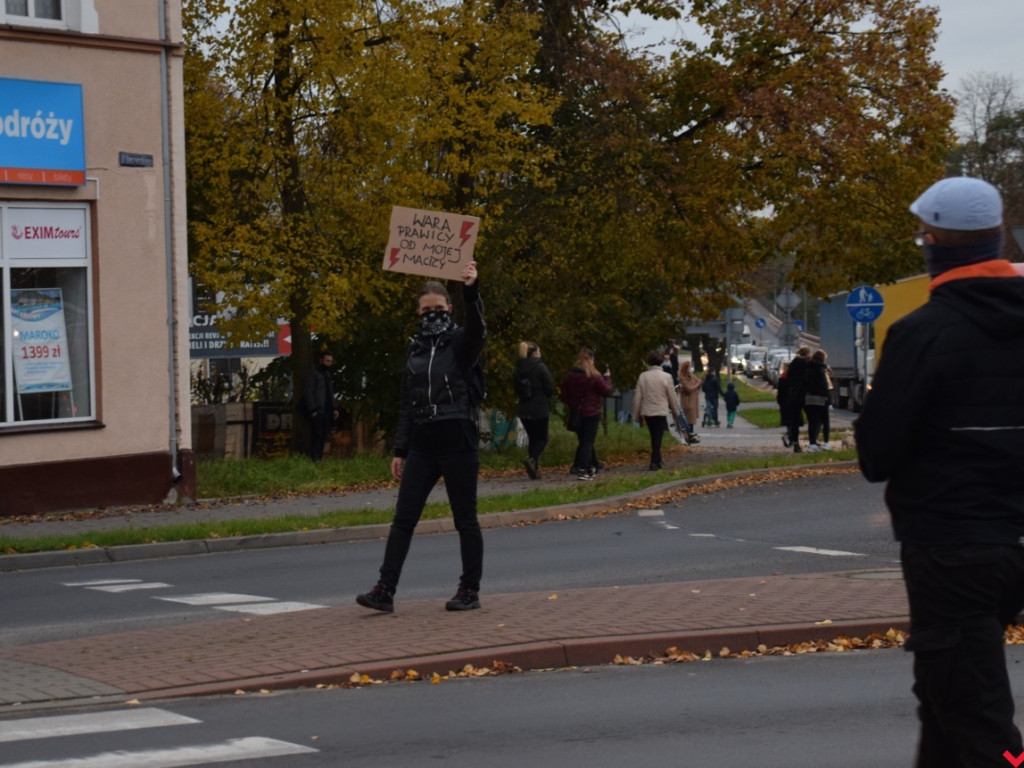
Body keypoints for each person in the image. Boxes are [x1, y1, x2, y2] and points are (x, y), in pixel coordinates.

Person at [854, 176, 1024, 767]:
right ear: (999, 237)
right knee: (947, 700)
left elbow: (877, 456)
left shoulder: (922, 334)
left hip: (953, 545)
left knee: (978, 722)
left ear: (932, 244)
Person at [356, 262, 485, 614]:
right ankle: (385, 590)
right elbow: (406, 402)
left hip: (457, 437)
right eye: (426, 309)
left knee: (465, 519)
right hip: (422, 445)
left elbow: (478, 330)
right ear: (418, 312)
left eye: (438, 309)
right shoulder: (414, 351)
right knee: (404, 517)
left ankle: (469, 590)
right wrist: (400, 449)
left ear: (449, 309)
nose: (432, 314)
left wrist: (471, 289)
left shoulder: (460, 343)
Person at [560, 347, 612, 480]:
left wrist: (573, 403)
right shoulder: (594, 376)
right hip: (592, 412)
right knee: (588, 441)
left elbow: (564, 397)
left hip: (576, 412)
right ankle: (583, 468)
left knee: (583, 440)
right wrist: (607, 378)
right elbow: (606, 391)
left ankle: (587, 465)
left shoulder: (569, 376)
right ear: (591, 359)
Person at [632, 350, 682, 470]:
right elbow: (672, 396)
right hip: (660, 410)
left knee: (654, 434)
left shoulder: (643, 376)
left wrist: (636, 414)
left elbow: (638, 396)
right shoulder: (667, 377)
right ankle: (655, 461)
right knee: (658, 435)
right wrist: (676, 412)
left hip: (647, 411)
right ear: (661, 362)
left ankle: (657, 459)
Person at [513, 341, 554, 479]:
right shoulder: (540, 367)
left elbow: (516, 387)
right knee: (542, 438)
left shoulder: (518, 368)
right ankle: (532, 459)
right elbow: (549, 387)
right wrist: (546, 396)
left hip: (524, 409)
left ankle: (534, 470)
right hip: (539, 408)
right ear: (535, 352)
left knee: (533, 438)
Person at [303, 349, 339, 462]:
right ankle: (314, 457)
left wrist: (334, 408)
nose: (329, 364)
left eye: (330, 361)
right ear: (321, 360)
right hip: (318, 409)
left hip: (326, 409)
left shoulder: (327, 374)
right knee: (317, 434)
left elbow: (330, 392)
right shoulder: (314, 373)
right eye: (327, 361)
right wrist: (312, 408)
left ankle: (319, 457)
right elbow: (309, 391)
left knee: (323, 434)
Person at [803, 349, 832, 451]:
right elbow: (825, 386)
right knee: (825, 421)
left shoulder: (807, 369)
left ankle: (812, 444)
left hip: (809, 398)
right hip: (821, 398)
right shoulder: (821, 370)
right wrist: (829, 399)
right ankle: (826, 442)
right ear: (822, 359)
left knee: (812, 422)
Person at [785, 346, 811, 452]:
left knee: (795, 421)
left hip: (793, 395)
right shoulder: (807, 364)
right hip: (805, 394)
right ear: (807, 354)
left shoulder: (792, 364)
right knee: (812, 419)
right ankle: (813, 442)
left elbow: (789, 379)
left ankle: (795, 443)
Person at [677, 359, 702, 443]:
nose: (690, 369)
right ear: (685, 369)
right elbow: (689, 388)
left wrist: (697, 383)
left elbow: (697, 381)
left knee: (691, 421)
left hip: (693, 401)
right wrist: (697, 384)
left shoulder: (691, 376)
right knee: (688, 420)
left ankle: (690, 436)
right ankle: (688, 437)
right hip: (687, 402)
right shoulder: (682, 378)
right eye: (689, 367)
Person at [776, 362, 792, 446]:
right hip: (792, 401)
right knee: (794, 422)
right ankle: (788, 436)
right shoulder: (793, 378)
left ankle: (789, 436)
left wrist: (779, 402)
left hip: (784, 403)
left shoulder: (782, 378)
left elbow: (780, 392)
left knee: (788, 422)